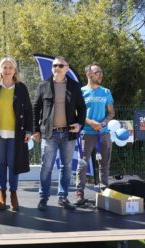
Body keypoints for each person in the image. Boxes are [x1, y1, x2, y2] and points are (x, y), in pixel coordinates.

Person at [32, 56, 86, 211]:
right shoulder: (44, 85)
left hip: (68, 134)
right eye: (54, 65)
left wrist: (80, 124)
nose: (57, 68)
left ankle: (63, 197)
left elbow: (82, 108)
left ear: (67, 68)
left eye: (60, 65)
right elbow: (36, 108)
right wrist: (36, 130)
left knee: (66, 167)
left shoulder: (74, 86)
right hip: (49, 134)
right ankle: (44, 198)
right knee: (46, 167)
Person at [0, 57, 33, 211]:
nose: (7, 70)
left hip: (16, 133)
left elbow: (28, 111)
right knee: (1, 162)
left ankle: (13, 193)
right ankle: (2, 192)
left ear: (14, 70)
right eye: (4, 67)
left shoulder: (21, 88)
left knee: (14, 163)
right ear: (0, 69)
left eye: (10, 67)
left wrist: (28, 130)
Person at [74, 63, 115, 206]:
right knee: (82, 164)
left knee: (104, 164)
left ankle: (104, 192)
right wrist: (90, 122)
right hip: (86, 133)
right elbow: (76, 113)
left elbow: (111, 112)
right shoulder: (81, 92)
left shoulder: (106, 92)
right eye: (97, 72)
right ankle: (80, 193)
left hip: (103, 134)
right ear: (89, 74)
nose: (101, 75)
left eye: (101, 72)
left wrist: (103, 123)